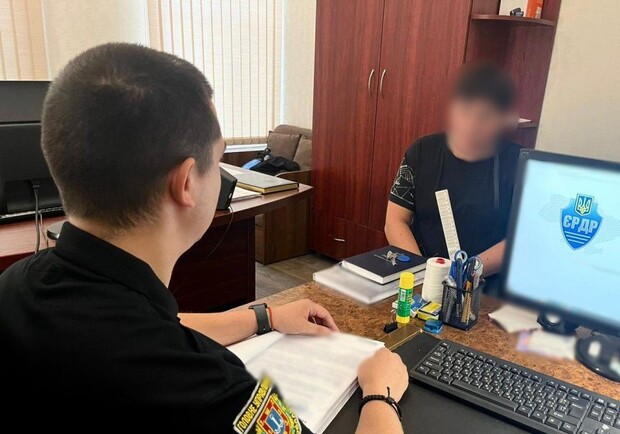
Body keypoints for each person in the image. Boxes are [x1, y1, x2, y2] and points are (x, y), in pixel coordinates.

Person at [0, 43, 408, 433]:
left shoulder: (17, 287)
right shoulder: (208, 389)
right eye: (218, 159)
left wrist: (265, 317)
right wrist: (380, 392)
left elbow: (156, 325)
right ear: (186, 184)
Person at [385, 62, 522, 281]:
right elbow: (395, 220)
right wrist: (424, 272)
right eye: (465, 111)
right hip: (423, 274)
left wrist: (464, 275)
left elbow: (521, 238)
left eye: (485, 116)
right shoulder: (422, 152)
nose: (472, 125)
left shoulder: (518, 162)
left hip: (483, 282)